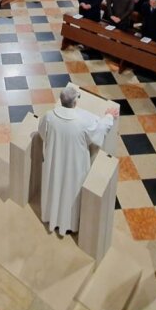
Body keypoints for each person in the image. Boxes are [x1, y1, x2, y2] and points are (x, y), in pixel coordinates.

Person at [37, 87, 118, 235]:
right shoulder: (83, 122)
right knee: (70, 191)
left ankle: (51, 217)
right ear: (75, 102)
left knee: (55, 186)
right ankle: (68, 224)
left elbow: (42, 131)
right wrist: (109, 116)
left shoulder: (49, 116)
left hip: (55, 161)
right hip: (74, 165)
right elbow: (100, 130)